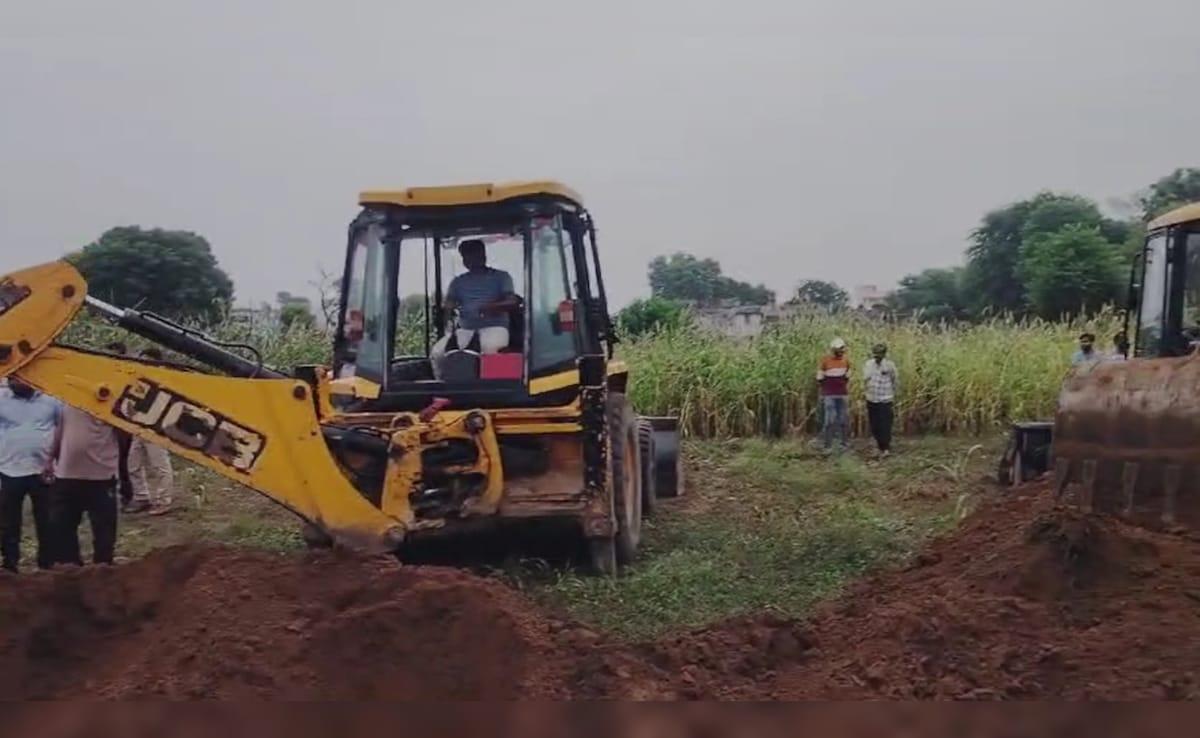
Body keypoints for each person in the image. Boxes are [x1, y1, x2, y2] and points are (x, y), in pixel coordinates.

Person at [0, 378, 62, 572]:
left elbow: (61, 428)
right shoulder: (1, 398)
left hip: (43, 470)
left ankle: (47, 564)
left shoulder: (52, 399)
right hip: (9, 469)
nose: (12, 381)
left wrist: (53, 460)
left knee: (47, 519)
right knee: (9, 521)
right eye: (10, 378)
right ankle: (10, 564)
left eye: (18, 378)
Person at [50, 404, 121, 566]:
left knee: (104, 529)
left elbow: (123, 434)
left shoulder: (112, 397)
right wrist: (51, 459)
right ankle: (71, 567)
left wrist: (120, 468)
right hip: (67, 473)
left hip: (101, 474)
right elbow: (60, 428)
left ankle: (103, 568)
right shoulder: (66, 397)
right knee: (63, 525)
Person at [430, 240, 519, 366]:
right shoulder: (458, 282)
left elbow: (512, 301)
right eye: (466, 255)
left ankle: (488, 383)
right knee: (439, 353)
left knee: (488, 349)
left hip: (495, 327)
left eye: (474, 254)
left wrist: (491, 307)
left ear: (483, 255)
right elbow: (448, 307)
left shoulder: (501, 277)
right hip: (466, 329)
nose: (470, 258)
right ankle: (448, 383)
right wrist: (446, 314)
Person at [125, 348, 175, 515]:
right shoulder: (140, 380)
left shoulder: (163, 381)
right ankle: (141, 497)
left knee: (160, 465)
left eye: (146, 360)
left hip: (155, 428)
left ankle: (164, 501)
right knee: (133, 464)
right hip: (139, 426)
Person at [104, 341, 136, 511]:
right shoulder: (105, 373)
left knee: (124, 461)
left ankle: (127, 494)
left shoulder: (128, 373)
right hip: (110, 421)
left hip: (124, 421)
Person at [863, 343, 899, 457]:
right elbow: (865, 379)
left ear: (884, 354)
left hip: (885, 399)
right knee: (874, 424)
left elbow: (894, 380)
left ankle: (885, 448)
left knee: (885, 425)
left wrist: (893, 394)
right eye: (875, 354)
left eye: (879, 355)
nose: (877, 357)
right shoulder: (869, 364)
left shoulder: (889, 365)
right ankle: (879, 446)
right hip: (872, 398)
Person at [817, 338, 851, 454]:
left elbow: (847, 376)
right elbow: (820, 378)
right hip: (829, 395)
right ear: (834, 350)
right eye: (839, 351)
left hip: (842, 394)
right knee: (829, 421)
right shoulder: (825, 361)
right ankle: (828, 446)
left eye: (842, 350)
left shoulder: (846, 361)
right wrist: (825, 390)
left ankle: (844, 445)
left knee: (843, 421)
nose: (841, 353)